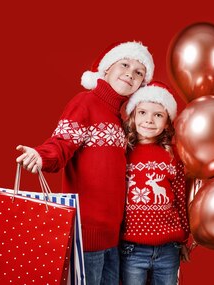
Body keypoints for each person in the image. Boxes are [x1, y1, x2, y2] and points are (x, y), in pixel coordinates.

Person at [15, 41, 155, 285]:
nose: (130, 74)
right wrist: (42, 155)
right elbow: (62, 143)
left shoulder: (119, 119)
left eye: (138, 72)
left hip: (113, 237)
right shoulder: (85, 103)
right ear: (106, 69)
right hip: (86, 235)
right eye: (125, 65)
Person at [120, 81, 191, 285]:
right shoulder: (122, 152)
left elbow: (179, 197)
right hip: (132, 248)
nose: (149, 120)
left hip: (169, 248)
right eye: (142, 113)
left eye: (158, 115)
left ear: (168, 121)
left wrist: (184, 238)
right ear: (132, 115)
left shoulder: (173, 154)